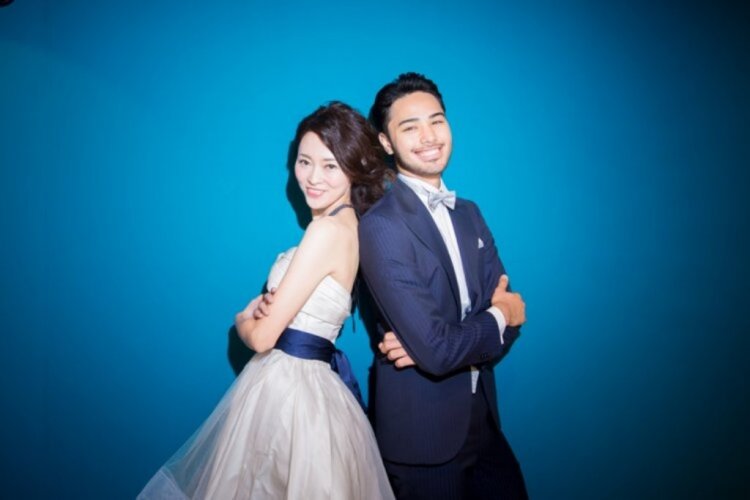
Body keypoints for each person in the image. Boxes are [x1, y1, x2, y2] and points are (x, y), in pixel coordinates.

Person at [139, 102, 395, 499]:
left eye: (330, 165)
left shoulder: (326, 231)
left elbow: (262, 338)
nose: (313, 177)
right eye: (304, 162)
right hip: (310, 392)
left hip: (290, 392)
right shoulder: (351, 226)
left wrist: (243, 319)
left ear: (354, 167)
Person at [358, 73, 528, 499]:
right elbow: (441, 349)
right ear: (386, 142)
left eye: (437, 121)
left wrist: (451, 341)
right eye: (410, 127)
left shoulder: (469, 212)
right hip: (424, 439)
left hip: (484, 420)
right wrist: (497, 316)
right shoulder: (381, 225)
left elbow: (513, 321)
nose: (429, 137)